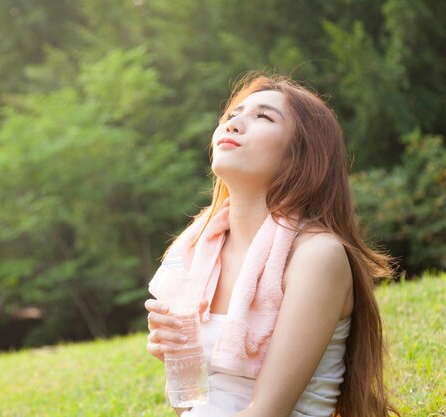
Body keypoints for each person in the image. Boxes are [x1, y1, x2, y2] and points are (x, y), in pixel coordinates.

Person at [145, 73, 399, 417]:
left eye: (263, 117)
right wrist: (174, 361)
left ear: (301, 156)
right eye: (232, 114)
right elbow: (190, 408)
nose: (234, 124)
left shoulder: (316, 255)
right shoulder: (195, 252)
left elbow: (267, 412)